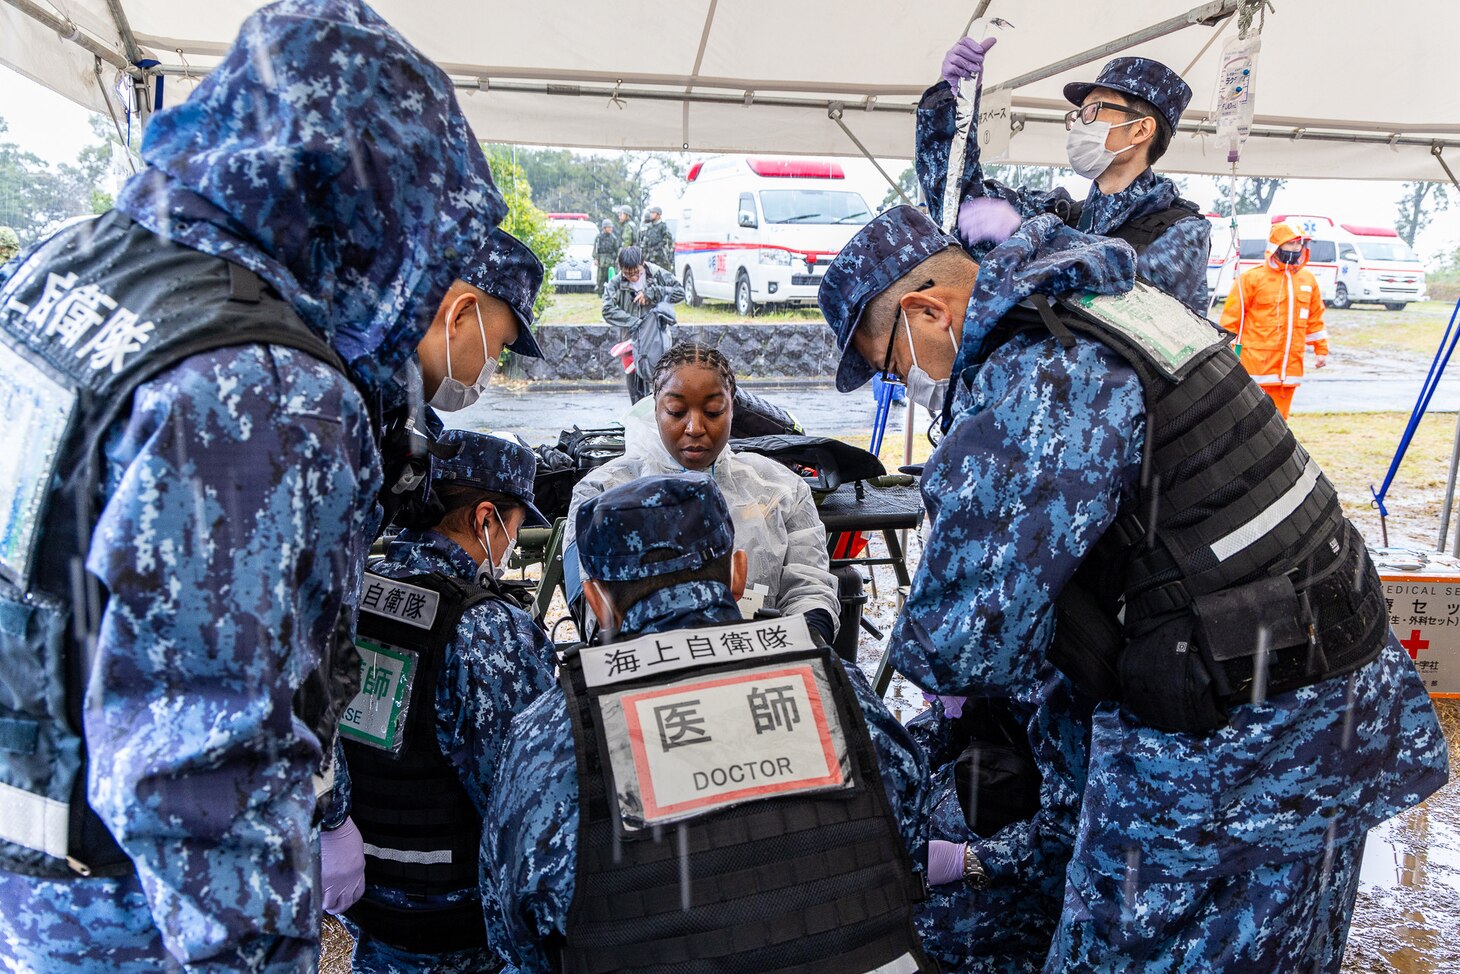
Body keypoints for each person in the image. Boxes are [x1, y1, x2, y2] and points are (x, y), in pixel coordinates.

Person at [0, 1, 512, 970]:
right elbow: (202, 774)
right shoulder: (265, 386)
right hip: (140, 916)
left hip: (32, 864)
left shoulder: (59, 267)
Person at [819, 203, 1448, 972]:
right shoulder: (1112, 301)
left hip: (1236, 738)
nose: (904, 383)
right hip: (1331, 679)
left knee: (1126, 948)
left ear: (926, 310)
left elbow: (967, 635)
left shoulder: (1043, 370)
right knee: (1282, 943)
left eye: (890, 364)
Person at [483, 474, 935, 973]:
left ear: (596, 601)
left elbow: (517, 933)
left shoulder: (552, 736)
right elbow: (908, 841)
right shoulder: (841, 689)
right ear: (738, 573)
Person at [327, 430, 557, 973]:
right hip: (463, 928)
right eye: (514, 527)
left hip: (370, 906)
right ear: (486, 519)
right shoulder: (485, 629)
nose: (509, 545)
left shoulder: (350, 593)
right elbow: (525, 802)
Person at [565, 341, 841, 644]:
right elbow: (589, 603)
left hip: (764, 659)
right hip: (642, 667)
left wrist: (806, 642)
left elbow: (809, 586)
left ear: (732, 408)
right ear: (655, 408)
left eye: (712, 411)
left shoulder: (781, 488)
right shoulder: (601, 493)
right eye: (676, 411)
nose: (695, 427)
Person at [924, 39, 1211, 315]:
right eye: (1078, 114)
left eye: (1093, 110)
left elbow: (1129, 296)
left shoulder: (1183, 232)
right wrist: (954, 103)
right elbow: (957, 204)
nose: (1078, 124)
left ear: (1140, 130)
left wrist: (1027, 238)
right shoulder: (1056, 212)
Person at [1219, 221, 1329, 418]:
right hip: (1255, 366)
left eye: (1299, 244)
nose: (1296, 248)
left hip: (1290, 370)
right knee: (1248, 418)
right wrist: (1225, 353)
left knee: (1280, 424)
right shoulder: (1251, 279)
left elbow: (1315, 319)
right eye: (1291, 243)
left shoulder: (1308, 280)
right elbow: (1231, 319)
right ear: (1276, 246)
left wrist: (1321, 349)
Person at [601, 244, 684, 403]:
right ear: (621, 268)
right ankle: (638, 421)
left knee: (661, 382)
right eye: (627, 273)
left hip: (656, 338)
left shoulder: (657, 273)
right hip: (630, 340)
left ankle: (660, 422)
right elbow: (607, 309)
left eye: (636, 273)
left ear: (643, 264)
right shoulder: (616, 283)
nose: (632, 277)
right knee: (635, 387)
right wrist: (635, 322)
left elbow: (679, 292)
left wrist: (652, 293)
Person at [640, 205, 676, 271]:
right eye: (651, 213)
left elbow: (667, 241)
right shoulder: (650, 227)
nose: (651, 214)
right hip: (650, 257)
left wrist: (659, 247)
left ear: (658, 215)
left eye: (653, 213)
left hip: (660, 257)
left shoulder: (663, 226)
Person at [592, 218, 619, 291]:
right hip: (601, 260)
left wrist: (617, 259)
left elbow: (617, 249)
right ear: (604, 228)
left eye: (611, 227)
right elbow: (596, 249)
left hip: (610, 260)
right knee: (600, 277)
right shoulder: (599, 237)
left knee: (611, 277)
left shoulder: (613, 238)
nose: (610, 229)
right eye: (609, 227)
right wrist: (596, 259)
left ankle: (610, 291)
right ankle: (599, 291)